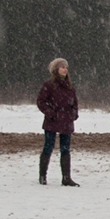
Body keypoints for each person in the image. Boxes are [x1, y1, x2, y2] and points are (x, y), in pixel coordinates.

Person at [36, 58, 81, 186]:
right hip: (52, 121)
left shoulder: (70, 87)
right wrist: (51, 114)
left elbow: (75, 103)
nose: (65, 69)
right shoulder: (48, 85)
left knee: (65, 149)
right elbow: (41, 102)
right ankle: (42, 176)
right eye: (62, 67)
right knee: (48, 147)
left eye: (66, 67)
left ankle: (66, 178)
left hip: (67, 121)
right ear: (56, 69)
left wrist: (74, 114)